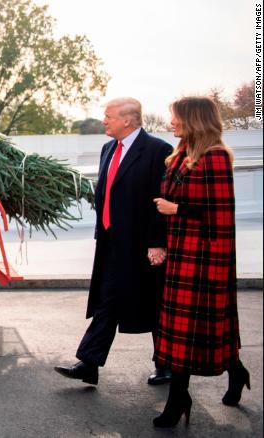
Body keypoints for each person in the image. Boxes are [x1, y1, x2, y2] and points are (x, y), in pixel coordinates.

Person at [54, 97, 173, 385]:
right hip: (111, 243)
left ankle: (167, 365)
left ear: (128, 121)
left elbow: (163, 201)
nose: (104, 121)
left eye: (109, 116)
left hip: (143, 245)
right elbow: (105, 194)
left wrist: (157, 242)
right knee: (107, 300)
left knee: (153, 303)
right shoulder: (108, 148)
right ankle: (89, 363)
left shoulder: (158, 151)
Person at [151, 96, 249, 428]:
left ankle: (179, 398)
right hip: (180, 252)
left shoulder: (215, 157)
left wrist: (175, 209)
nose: (171, 123)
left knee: (197, 328)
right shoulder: (178, 156)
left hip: (206, 255)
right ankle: (235, 372)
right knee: (187, 329)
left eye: (176, 117)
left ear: (194, 120)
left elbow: (221, 216)